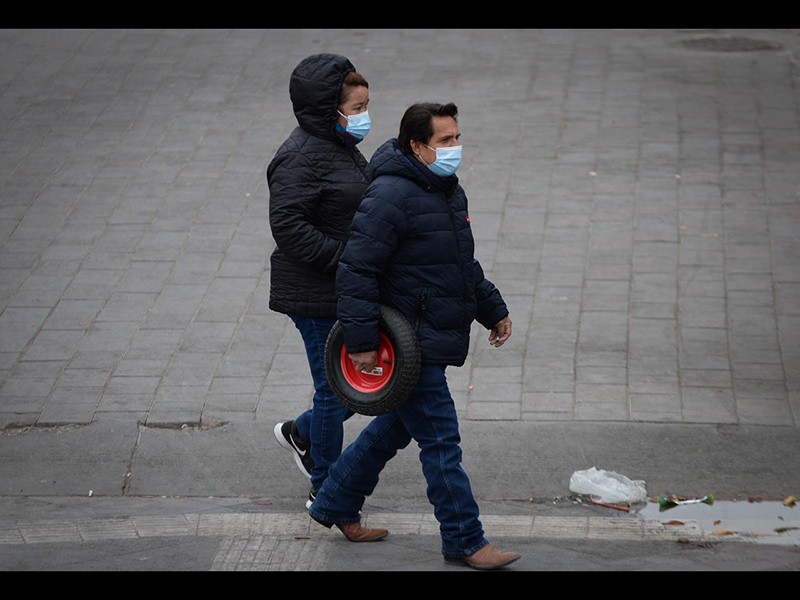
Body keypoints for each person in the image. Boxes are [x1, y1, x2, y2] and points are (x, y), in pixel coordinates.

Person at [307, 102, 521, 569]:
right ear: (416, 147)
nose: (455, 148)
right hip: (410, 344)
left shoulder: (446, 190)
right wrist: (362, 342)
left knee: (394, 429)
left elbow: (459, 266)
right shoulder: (390, 196)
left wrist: (494, 309)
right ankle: (465, 538)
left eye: (457, 137)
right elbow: (357, 269)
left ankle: (334, 501)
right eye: (445, 141)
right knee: (442, 441)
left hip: (432, 333)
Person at [267, 53, 371, 510]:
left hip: (342, 288)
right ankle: (326, 487)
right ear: (328, 110)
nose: (364, 116)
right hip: (311, 293)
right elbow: (288, 226)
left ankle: (302, 433)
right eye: (356, 108)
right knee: (335, 388)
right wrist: (345, 260)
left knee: (357, 386)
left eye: (367, 106)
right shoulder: (298, 158)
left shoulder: (338, 145)